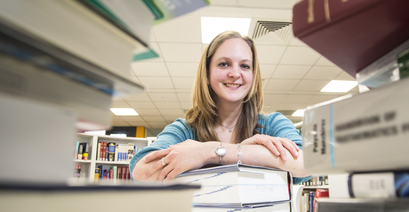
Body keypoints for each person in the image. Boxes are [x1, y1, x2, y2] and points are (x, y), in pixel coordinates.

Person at [130, 30, 311, 184]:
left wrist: (209, 152)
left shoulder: (273, 124)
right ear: (207, 73)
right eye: (224, 64)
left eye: (245, 66)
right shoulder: (185, 129)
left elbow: (307, 164)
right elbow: (141, 171)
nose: (234, 73)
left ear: (253, 76)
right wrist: (249, 153)